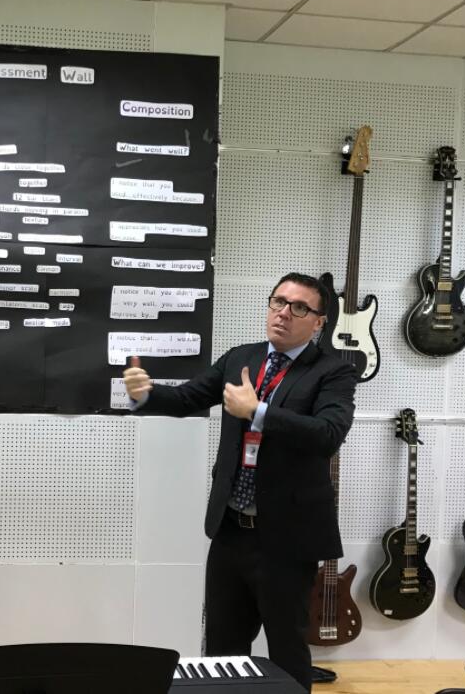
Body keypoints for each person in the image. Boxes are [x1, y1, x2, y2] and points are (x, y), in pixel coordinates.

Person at [123, 272, 356, 692]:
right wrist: (146, 394)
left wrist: (258, 412)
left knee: (286, 649)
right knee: (222, 648)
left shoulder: (333, 371)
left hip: (288, 539)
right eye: (278, 301)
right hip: (231, 530)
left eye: (299, 307)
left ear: (319, 321)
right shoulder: (240, 358)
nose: (283, 313)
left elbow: (328, 434)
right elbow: (189, 397)